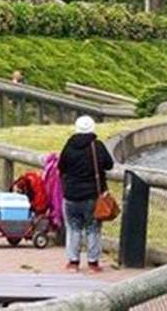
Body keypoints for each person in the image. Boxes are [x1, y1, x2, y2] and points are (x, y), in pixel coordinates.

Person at [58, 115, 114, 274]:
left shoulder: (69, 146)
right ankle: (93, 262)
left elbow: (61, 166)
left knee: (73, 228)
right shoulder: (97, 146)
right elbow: (109, 165)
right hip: (92, 196)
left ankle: (73, 262)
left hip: (71, 195)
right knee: (93, 228)